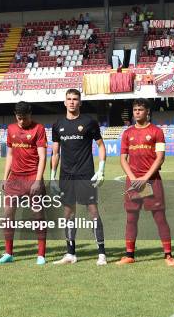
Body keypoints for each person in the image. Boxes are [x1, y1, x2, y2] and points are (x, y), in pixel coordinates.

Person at [50, 89, 107, 265]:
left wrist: (101, 169)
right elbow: (55, 152)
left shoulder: (89, 122)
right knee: (68, 213)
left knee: (93, 212)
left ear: (80, 102)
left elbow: (101, 145)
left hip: (85, 174)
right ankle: (71, 254)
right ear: (65, 102)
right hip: (66, 176)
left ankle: (102, 254)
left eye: (75, 99)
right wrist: (52, 176)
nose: (72, 102)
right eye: (69, 99)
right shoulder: (57, 124)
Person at [117, 99, 174, 266]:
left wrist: (145, 178)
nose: (137, 112)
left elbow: (160, 158)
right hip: (133, 183)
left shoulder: (156, 131)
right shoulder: (127, 133)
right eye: (135, 109)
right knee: (131, 218)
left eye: (140, 109)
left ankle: (168, 256)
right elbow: (123, 159)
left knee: (159, 217)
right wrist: (133, 178)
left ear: (147, 111)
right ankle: (129, 255)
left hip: (152, 181)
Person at [0, 102, 47, 265]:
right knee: (7, 214)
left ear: (30, 114)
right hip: (14, 179)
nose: (21, 121)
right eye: (19, 118)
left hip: (32, 177)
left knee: (37, 215)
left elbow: (42, 157)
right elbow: (10, 155)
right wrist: (5, 177)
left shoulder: (38, 129)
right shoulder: (11, 129)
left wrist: (38, 181)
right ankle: (8, 253)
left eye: (24, 118)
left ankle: (41, 254)